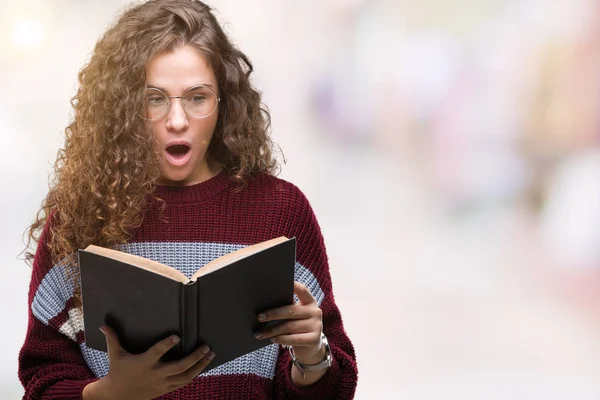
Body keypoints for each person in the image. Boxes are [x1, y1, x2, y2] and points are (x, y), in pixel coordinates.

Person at [17, 0, 358, 399]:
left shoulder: (281, 212)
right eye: (154, 98)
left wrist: (311, 355)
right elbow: (41, 383)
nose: (177, 120)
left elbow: (334, 389)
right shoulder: (77, 222)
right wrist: (110, 393)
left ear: (224, 102)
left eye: (197, 97)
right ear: (122, 108)